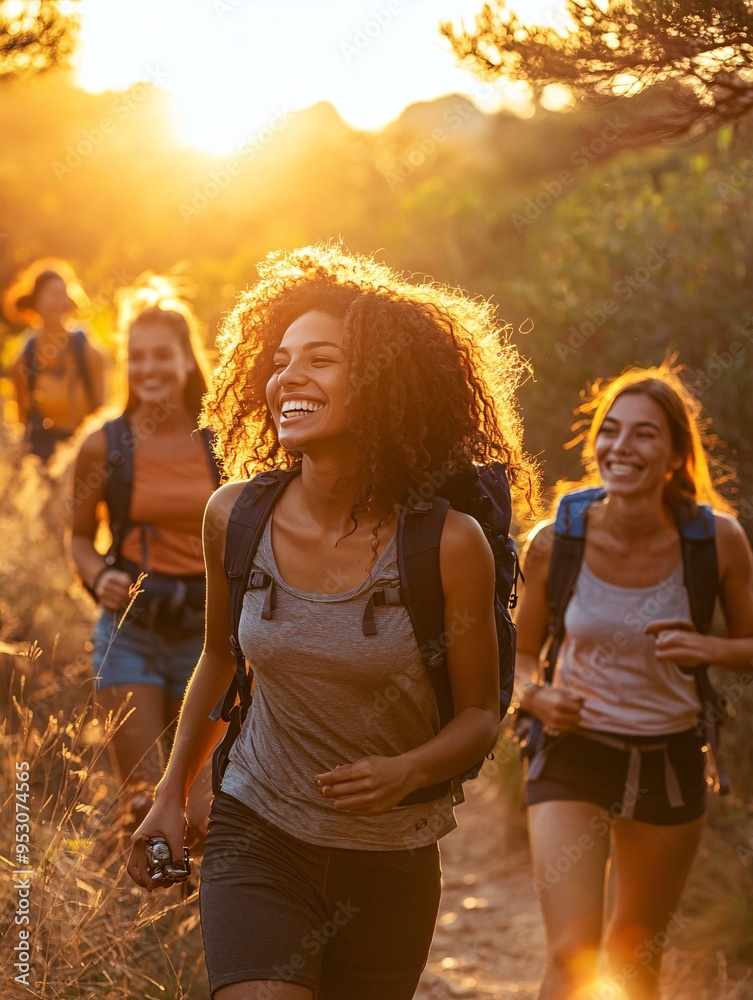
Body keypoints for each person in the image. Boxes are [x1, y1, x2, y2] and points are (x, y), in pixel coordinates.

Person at [126, 244, 536, 999]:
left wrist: (407, 769)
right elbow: (219, 660)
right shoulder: (235, 515)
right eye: (281, 360)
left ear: (381, 381)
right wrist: (170, 795)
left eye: (321, 359)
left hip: (389, 858)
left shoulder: (446, 545)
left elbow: (480, 711)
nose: (288, 378)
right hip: (257, 833)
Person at [514, 365, 753, 1000]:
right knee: (573, 956)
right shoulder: (554, 542)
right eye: (610, 432)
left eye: (644, 435)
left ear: (676, 455)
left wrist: (707, 646)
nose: (622, 448)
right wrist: (535, 694)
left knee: (636, 955)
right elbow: (516, 656)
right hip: (573, 753)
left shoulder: (717, 542)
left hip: (670, 757)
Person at [69, 276, 220, 839]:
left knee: (205, 814)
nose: (149, 368)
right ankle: (146, 922)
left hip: (211, 639)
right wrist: (99, 576)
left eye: (162, 355)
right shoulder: (102, 445)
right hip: (130, 635)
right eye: (137, 357)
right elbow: (79, 539)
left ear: (187, 360)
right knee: (143, 803)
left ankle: (209, 924)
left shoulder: (223, 441)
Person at [3, 259, 105, 461]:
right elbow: (23, 419)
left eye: (63, 294)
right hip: (43, 454)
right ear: (36, 302)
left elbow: (101, 411)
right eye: (52, 294)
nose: (59, 301)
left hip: (84, 449)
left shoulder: (88, 351)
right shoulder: (24, 358)